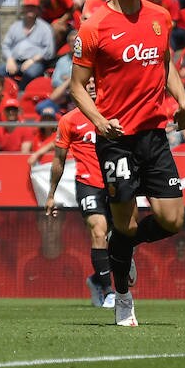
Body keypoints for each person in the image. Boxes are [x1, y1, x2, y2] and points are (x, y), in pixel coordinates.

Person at [68, 0, 185, 327]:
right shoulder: (94, 27)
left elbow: (165, 62)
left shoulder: (159, 17)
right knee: (123, 223)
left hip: (153, 136)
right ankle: (122, 297)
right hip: (116, 138)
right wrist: (100, 121)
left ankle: (127, 249)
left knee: (172, 220)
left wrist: (183, 100)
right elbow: (76, 86)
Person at [42, 105, 129, 308]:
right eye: (85, 79)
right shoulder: (69, 120)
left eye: (93, 79)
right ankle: (109, 292)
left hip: (115, 183)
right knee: (98, 231)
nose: (90, 83)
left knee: (122, 236)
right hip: (88, 184)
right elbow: (59, 159)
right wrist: (51, 195)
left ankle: (97, 279)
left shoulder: (115, 111)